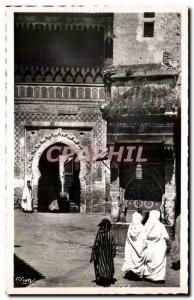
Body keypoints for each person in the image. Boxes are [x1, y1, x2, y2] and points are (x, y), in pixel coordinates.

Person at [144, 210, 169, 282]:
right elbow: (166, 237)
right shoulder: (160, 225)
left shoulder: (147, 225)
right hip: (159, 247)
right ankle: (158, 277)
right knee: (159, 260)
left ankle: (148, 275)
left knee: (150, 260)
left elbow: (143, 236)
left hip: (150, 246)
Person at [90, 218, 116, 287]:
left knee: (101, 266)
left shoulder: (99, 234)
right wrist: (113, 253)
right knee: (108, 266)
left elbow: (96, 245)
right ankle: (107, 279)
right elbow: (113, 245)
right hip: (109, 255)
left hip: (101, 255)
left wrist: (93, 254)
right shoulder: (110, 234)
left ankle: (103, 280)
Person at [122, 212, 146, 278]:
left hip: (131, 247)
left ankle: (131, 273)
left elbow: (128, 237)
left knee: (131, 259)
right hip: (139, 248)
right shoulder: (141, 227)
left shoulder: (130, 227)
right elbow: (144, 238)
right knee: (138, 259)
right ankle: (137, 273)